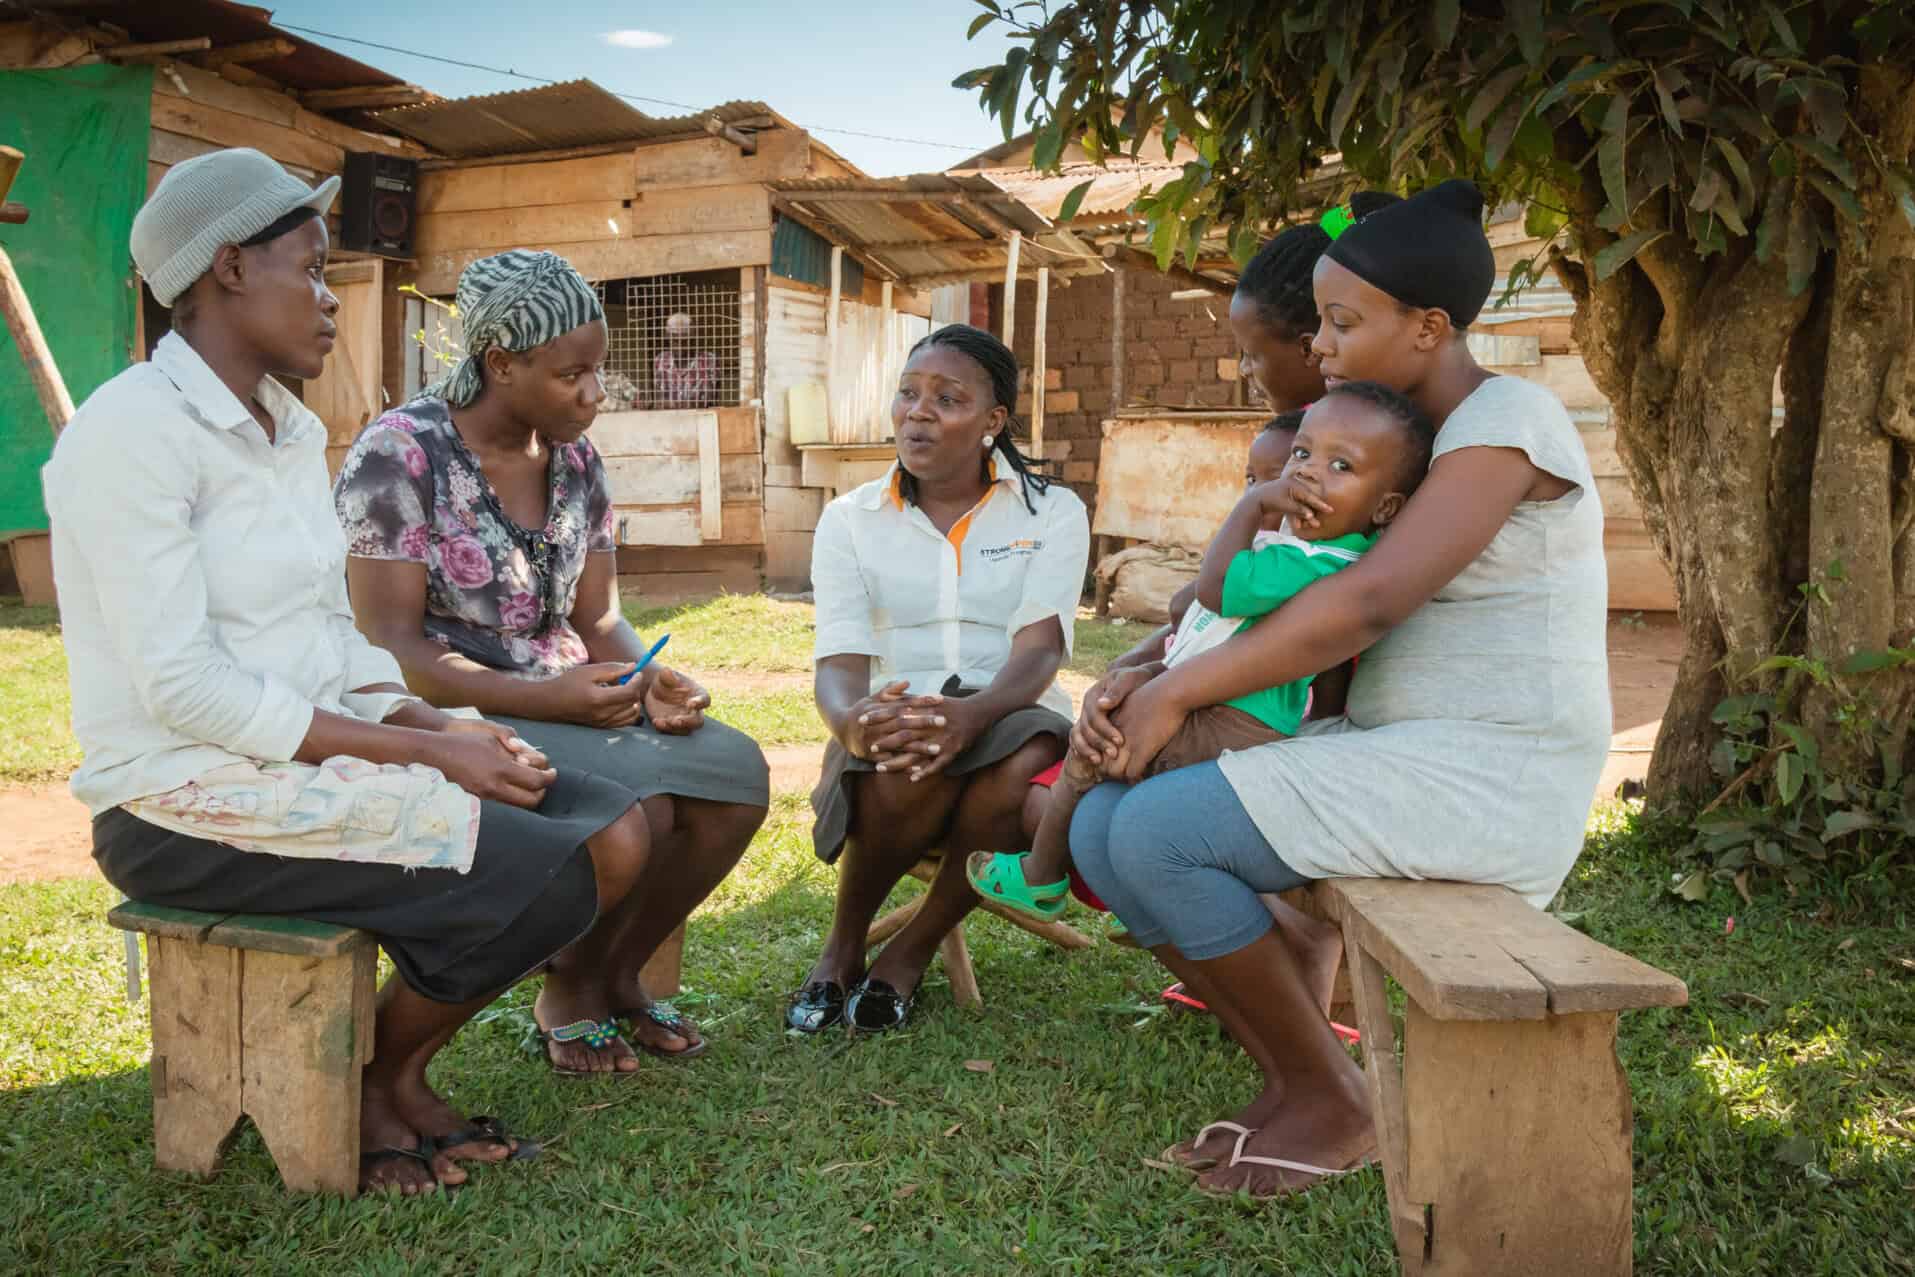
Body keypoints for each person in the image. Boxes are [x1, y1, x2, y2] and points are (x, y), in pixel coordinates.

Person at [44, 149, 657, 1196]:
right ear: (229, 269)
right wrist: (423, 748)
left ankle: (389, 1062)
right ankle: (371, 1079)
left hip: (306, 761)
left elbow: (333, 637)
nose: (331, 302)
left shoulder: (287, 431)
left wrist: (434, 722)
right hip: (181, 794)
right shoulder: (131, 434)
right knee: (546, 867)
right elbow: (183, 688)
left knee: (610, 828)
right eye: (312, 270)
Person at [1068, 179, 1610, 1197]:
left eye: (1340, 321)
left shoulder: (1506, 423)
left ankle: (1332, 1097)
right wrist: (1144, 670)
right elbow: (1253, 592)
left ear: (1428, 327)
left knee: (1152, 833)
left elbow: (1363, 603)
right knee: (1102, 823)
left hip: (1488, 775)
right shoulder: (1394, 436)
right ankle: (1301, 1074)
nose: (1317, 343)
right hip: (1399, 754)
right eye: (1318, 320)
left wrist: (1179, 700)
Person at [334, 250, 769, 1075]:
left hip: (572, 691)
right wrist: (548, 701)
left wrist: (649, 675)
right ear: (502, 363)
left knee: (735, 774)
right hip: (451, 706)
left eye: (597, 371)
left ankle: (613, 972)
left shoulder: (575, 459)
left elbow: (596, 615)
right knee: (650, 814)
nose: (594, 395)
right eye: (573, 374)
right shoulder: (402, 454)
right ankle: (571, 984)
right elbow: (387, 645)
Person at [966, 383, 1433, 917]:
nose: (1304, 473)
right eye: (1302, 455)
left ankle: (1041, 877)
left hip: (1229, 719)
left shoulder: (1310, 564)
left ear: (1386, 506)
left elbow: (1213, 589)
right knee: (1108, 734)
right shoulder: (1325, 555)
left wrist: (1253, 505)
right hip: (1230, 709)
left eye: (1341, 467)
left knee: (1089, 755)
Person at [790, 323, 1090, 1034]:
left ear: (991, 422)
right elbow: (838, 662)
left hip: (1017, 701)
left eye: (946, 398)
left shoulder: (1051, 510)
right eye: (907, 394)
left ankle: (908, 952)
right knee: (905, 756)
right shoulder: (850, 519)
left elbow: (1041, 647)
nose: (917, 412)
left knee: (1015, 763)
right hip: (899, 706)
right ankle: (841, 945)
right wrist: (852, 722)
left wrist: (975, 713)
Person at [652, 310, 717, 408]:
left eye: (684, 340)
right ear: (667, 337)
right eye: (675, 340)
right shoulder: (660, 360)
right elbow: (658, 399)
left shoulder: (708, 360)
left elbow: (709, 400)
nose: (680, 346)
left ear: (692, 337)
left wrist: (672, 404)